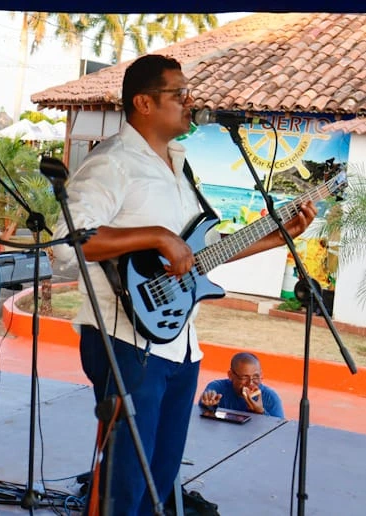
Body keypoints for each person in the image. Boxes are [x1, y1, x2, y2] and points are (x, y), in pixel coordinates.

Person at [51, 54, 316, 515]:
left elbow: (198, 253)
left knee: (160, 479)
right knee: (124, 481)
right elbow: (66, 244)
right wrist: (157, 236)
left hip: (179, 345)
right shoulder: (112, 162)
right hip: (125, 340)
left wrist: (279, 237)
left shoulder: (178, 167)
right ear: (144, 103)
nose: (190, 102)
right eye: (179, 94)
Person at [200, 352, 284, 417]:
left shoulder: (270, 398)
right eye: (244, 377)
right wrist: (208, 406)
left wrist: (260, 412)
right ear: (230, 375)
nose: (250, 383)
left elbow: (279, 432)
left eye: (256, 377)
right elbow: (200, 416)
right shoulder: (217, 389)